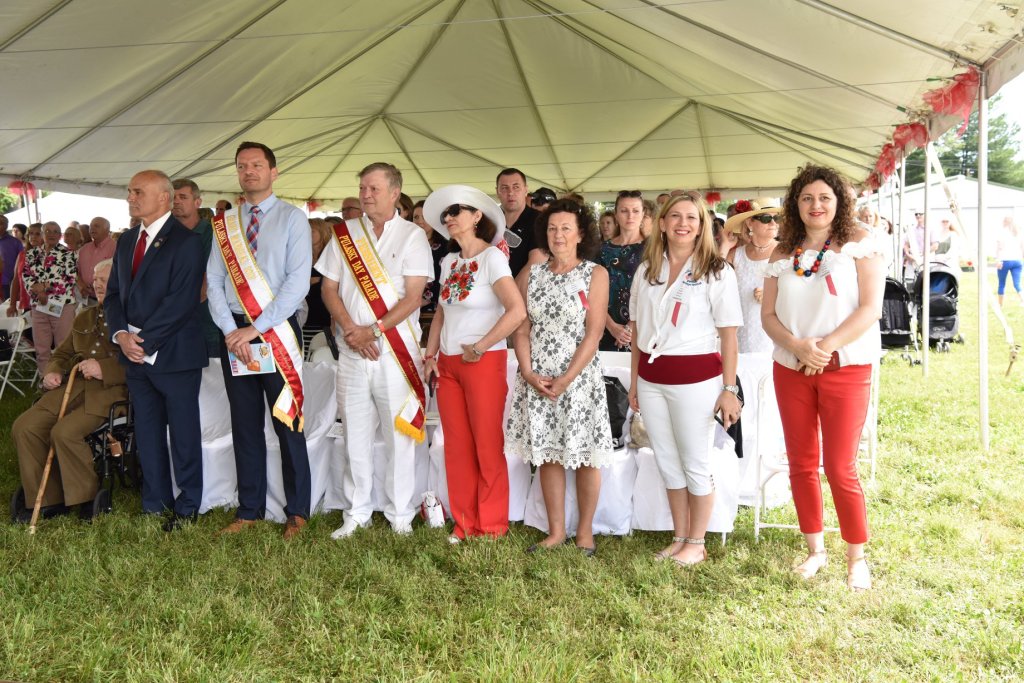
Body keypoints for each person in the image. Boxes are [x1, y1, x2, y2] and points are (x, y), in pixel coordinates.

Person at [761, 164, 884, 591]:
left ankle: (856, 556)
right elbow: (768, 315)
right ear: (795, 204)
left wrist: (823, 347)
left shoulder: (861, 243)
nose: (816, 205)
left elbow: (870, 308)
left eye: (825, 198)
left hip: (845, 366)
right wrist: (797, 347)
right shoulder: (782, 252)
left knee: (838, 465)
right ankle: (815, 550)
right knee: (800, 462)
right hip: (791, 366)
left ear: (839, 202)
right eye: (807, 198)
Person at [627, 191, 743, 567]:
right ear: (661, 223)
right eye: (675, 216)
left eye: (691, 217)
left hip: (697, 381)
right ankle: (679, 538)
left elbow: (729, 336)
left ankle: (697, 542)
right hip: (651, 380)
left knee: (695, 463)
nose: (683, 223)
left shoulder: (717, 271)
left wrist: (729, 389)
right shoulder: (647, 270)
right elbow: (637, 330)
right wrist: (634, 383)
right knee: (667, 462)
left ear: (701, 225)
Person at [318, 162, 432, 539]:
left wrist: (373, 331)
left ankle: (400, 513)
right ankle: (356, 512)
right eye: (362, 188)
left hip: (394, 353)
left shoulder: (413, 236)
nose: (365, 195)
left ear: (395, 193)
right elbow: (328, 289)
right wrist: (353, 331)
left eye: (374, 189)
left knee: (400, 437)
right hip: (352, 350)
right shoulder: (345, 233)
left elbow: (413, 297)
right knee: (354, 433)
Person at [207, 142, 312, 540]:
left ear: (273, 172)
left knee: (287, 419)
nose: (248, 171)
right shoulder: (225, 224)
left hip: (276, 330)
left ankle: (297, 511)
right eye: (242, 166)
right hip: (234, 333)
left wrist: (255, 328)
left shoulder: (293, 219)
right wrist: (229, 330)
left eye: (256, 165)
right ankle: (248, 509)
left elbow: (297, 283)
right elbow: (214, 280)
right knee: (245, 422)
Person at [506, 199, 612, 556]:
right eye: (552, 228)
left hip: (578, 378)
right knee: (548, 454)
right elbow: (521, 328)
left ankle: (584, 533)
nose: (558, 235)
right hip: (538, 377)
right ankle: (555, 532)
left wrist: (566, 378)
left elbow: (594, 333)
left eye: (566, 228)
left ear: (581, 234)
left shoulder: (595, 274)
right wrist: (528, 371)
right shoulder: (532, 274)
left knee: (585, 456)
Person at [422, 184, 526, 542]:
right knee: (456, 446)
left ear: (477, 216)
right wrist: (430, 355)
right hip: (448, 364)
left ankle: (492, 525)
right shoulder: (448, 262)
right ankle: (464, 523)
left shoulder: (493, 258)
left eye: (456, 211)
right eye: (445, 214)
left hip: (482, 362)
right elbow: (440, 313)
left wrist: (480, 346)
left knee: (486, 445)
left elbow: (517, 311)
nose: (449, 218)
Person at [105, 169, 207, 532]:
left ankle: (188, 505)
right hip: (134, 355)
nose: (130, 198)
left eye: (138, 192)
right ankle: (155, 503)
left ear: (164, 197)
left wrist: (143, 343)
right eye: (129, 191)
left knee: (183, 434)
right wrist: (120, 335)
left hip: (174, 356)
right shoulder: (126, 240)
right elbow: (113, 295)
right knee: (147, 432)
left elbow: (181, 302)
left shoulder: (186, 242)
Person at [11, 260, 127, 522]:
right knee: (25, 427)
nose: (97, 284)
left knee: (65, 432)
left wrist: (104, 368)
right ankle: (47, 499)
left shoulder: (134, 317)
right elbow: (62, 354)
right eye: (95, 279)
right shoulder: (85, 316)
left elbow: (142, 362)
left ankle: (85, 496)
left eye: (104, 279)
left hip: (110, 393)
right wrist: (52, 371)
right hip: (72, 388)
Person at [172, 178, 222, 357]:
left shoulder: (211, 234)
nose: (176, 201)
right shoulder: (164, 235)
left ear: (197, 202)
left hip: (206, 325)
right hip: (170, 327)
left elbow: (208, 282)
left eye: (183, 197)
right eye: (173, 197)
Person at [23, 221, 78, 376]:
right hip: (38, 306)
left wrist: (44, 288)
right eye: (48, 231)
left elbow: (70, 279)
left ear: (60, 235)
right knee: (41, 347)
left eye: (55, 231)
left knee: (63, 346)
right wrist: (37, 293)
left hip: (63, 306)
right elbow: (26, 276)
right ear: (42, 234)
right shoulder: (32, 253)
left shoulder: (68, 253)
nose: (51, 234)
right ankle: (45, 380)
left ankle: (63, 381)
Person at [725, 199, 780, 354]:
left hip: (775, 340)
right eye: (766, 218)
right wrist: (724, 246)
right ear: (750, 223)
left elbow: (801, 297)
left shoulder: (786, 253)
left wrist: (774, 297)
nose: (773, 223)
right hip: (740, 336)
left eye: (777, 218)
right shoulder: (734, 255)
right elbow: (714, 287)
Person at [597, 190, 645, 351]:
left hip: (643, 329)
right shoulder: (601, 250)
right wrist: (611, 326)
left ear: (643, 214)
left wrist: (631, 326)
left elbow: (657, 291)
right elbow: (592, 293)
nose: (630, 216)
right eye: (624, 211)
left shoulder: (653, 250)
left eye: (635, 211)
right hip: (605, 328)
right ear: (616, 215)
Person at [496, 168, 539, 276]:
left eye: (516, 187)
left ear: (526, 190)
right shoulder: (490, 221)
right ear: (497, 192)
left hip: (524, 285)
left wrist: (507, 286)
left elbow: (535, 265)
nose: (510, 193)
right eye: (504, 188)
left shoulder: (540, 220)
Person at [413, 199, 446, 314]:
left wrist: (426, 300)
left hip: (434, 310)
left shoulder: (445, 247)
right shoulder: (408, 245)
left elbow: (444, 278)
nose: (420, 221)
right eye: (416, 217)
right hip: (408, 306)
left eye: (424, 217)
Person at [75, 217, 116, 304]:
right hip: (84, 298)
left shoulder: (116, 248)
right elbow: (75, 271)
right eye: (91, 226)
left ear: (107, 229)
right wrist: (81, 285)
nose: (92, 228)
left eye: (96, 226)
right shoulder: (84, 249)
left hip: (106, 300)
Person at [304, 217, 333, 337]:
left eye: (311, 231)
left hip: (325, 316)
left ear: (322, 232)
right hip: (304, 316)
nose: (306, 233)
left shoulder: (331, 255)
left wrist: (320, 280)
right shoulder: (301, 255)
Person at [6, 223, 42, 319]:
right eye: (31, 233)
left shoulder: (51, 255)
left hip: (45, 303)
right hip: (27, 303)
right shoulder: (22, 254)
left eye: (38, 234)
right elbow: (15, 280)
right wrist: (12, 304)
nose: (33, 236)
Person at [995, 215, 1024, 307]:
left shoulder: (1002, 232)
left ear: (1005, 222)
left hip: (1005, 261)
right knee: (1017, 283)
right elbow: (1022, 247)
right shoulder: (1019, 233)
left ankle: (1000, 305)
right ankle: (1023, 300)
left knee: (1001, 283)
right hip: (1018, 261)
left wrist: (998, 260)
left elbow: (999, 248)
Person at [0, 215, 24, 300]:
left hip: (8, 282)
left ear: (6, 225)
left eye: (1, 223)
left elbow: (22, 262)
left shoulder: (15, 242)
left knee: (7, 304)